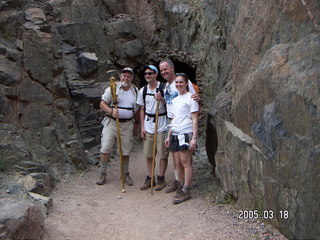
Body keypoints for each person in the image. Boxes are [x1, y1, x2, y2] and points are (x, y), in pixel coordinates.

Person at [158, 59, 198, 193]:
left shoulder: (185, 86)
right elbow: (170, 104)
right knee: (175, 157)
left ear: (172, 68)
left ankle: (185, 186)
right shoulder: (167, 86)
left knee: (184, 159)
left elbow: (194, 98)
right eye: (161, 70)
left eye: (166, 69)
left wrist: (197, 99)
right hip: (172, 122)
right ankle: (178, 181)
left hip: (185, 125)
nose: (164, 72)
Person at [96, 67, 139, 186]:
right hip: (112, 122)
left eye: (129, 76)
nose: (126, 78)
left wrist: (137, 123)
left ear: (132, 78)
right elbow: (102, 103)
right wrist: (111, 111)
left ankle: (125, 174)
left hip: (127, 124)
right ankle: (103, 173)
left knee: (125, 150)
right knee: (105, 148)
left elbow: (137, 109)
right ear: (121, 76)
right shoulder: (113, 88)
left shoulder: (135, 90)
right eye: (124, 75)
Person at [165, 73, 199, 204]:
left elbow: (195, 119)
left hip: (186, 133)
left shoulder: (191, 98)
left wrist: (194, 138)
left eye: (181, 82)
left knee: (186, 162)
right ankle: (181, 184)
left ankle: (186, 189)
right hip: (175, 133)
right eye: (177, 82)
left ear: (186, 83)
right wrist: (169, 135)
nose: (179, 84)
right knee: (178, 163)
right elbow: (174, 119)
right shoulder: (175, 100)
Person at [137, 65, 169, 191]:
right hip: (149, 124)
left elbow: (171, 104)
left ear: (156, 74)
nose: (147, 75)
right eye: (145, 74)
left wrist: (161, 99)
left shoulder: (163, 87)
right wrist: (142, 127)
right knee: (149, 154)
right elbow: (142, 109)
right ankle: (150, 177)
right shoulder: (143, 90)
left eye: (150, 73)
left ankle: (161, 177)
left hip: (161, 124)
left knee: (162, 154)